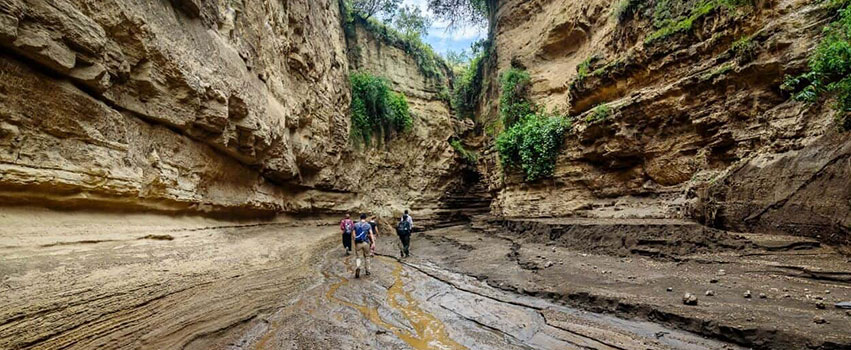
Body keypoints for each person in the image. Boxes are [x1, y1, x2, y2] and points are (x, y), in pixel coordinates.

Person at [352, 214, 375, 278]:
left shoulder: (356, 225)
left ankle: (358, 267)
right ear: (365, 218)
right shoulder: (368, 225)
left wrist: (355, 243)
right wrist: (373, 242)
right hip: (366, 243)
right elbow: (371, 234)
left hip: (358, 243)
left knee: (358, 257)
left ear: (360, 218)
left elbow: (353, 235)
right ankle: (367, 270)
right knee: (367, 257)